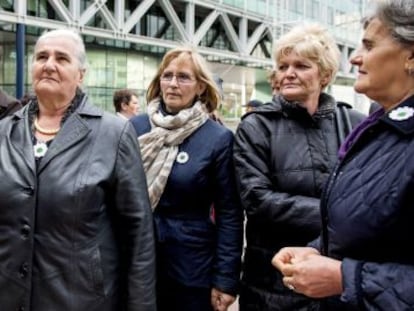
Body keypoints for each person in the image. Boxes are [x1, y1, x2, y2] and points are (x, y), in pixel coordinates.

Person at [0, 29, 156, 310]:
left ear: (80, 74)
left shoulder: (114, 133)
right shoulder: (4, 132)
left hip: (80, 299)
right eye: (42, 57)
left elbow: (138, 233)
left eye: (62, 58)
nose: (49, 64)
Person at [272, 1, 414, 310]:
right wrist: (318, 252)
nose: (355, 57)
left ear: (411, 56)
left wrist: (345, 278)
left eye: (369, 45)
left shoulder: (358, 123)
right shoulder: (377, 127)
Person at [233, 23, 365, 311]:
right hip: (273, 284)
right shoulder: (257, 126)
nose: (288, 73)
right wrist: (338, 215)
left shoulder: (354, 123)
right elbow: (257, 200)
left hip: (336, 278)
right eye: (283, 66)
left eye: (301, 65)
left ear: (325, 75)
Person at [130, 46, 243, 311]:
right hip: (137, 258)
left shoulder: (217, 138)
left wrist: (225, 280)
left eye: (183, 77)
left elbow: (230, 213)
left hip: (191, 269)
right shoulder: (136, 128)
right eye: (167, 76)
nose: (172, 84)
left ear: (201, 87)